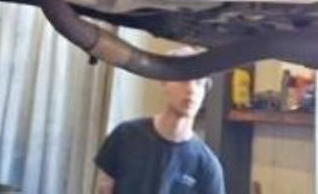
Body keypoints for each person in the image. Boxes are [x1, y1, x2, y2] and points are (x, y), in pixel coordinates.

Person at [94, 70, 225, 193]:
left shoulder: (207, 166)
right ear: (164, 82)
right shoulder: (125, 135)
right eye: (183, 79)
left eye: (199, 82)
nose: (191, 89)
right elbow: (104, 188)